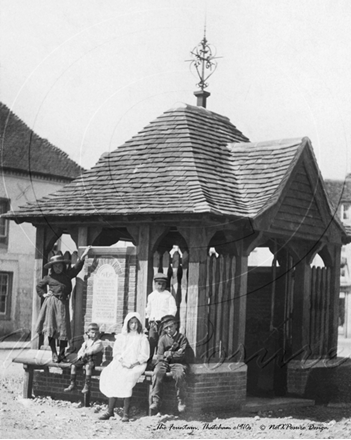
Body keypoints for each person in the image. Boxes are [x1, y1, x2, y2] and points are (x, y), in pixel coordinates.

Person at [36, 246, 91, 363]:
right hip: (52, 304)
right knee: (52, 329)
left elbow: (76, 268)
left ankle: (61, 354)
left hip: (63, 304)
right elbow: (39, 286)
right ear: (52, 267)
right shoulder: (49, 277)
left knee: (63, 331)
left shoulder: (67, 275)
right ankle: (54, 354)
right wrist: (44, 294)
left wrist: (83, 257)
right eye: (55, 266)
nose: (57, 268)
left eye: (59, 266)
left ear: (63, 266)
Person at [99, 312, 150, 422]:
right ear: (127, 323)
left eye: (136, 323)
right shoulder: (122, 337)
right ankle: (110, 410)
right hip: (122, 362)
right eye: (131, 323)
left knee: (127, 378)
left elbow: (144, 355)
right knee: (112, 375)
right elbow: (116, 353)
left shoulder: (142, 338)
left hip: (136, 364)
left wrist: (133, 364)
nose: (133, 325)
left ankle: (125, 412)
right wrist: (123, 362)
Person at [149, 314, 189, 414]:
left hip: (177, 363)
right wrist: (173, 354)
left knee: (179, 374)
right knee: (158, 372)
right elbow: (160, 355)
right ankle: (156, 400)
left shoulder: (182, 338)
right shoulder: (162, 339)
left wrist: (170, 353)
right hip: (164, 363)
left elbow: (182, 355)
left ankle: (181, 400)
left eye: (171, 326)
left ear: (176, 325)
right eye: (166, 328)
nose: (169, 329)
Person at [64, 322, 103, 394]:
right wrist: (80, 356)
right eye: (92, 332)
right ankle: (72, 384)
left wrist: (85, 353)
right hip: (85, 359)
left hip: (94, 359)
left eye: (96, 333)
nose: (94, 335)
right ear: (88, 333)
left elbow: (93, 350)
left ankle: (87, 385)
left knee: (88, 366)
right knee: (73, 365)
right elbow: (81, 351)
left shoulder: (99, 342)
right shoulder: (86, 342)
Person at [145, 273, 177, 362]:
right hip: (154, 323)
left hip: (164, 324)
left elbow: (173, 309)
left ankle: (161, 361)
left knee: (162, 342)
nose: (161, 286)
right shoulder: (151, 296)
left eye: (163, 284)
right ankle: (149, 361)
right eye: (158, 284)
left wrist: (168, 321)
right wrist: (150, 319)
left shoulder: (168, 296)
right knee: (152, 341)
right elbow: (148, 309)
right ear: (154, 284)